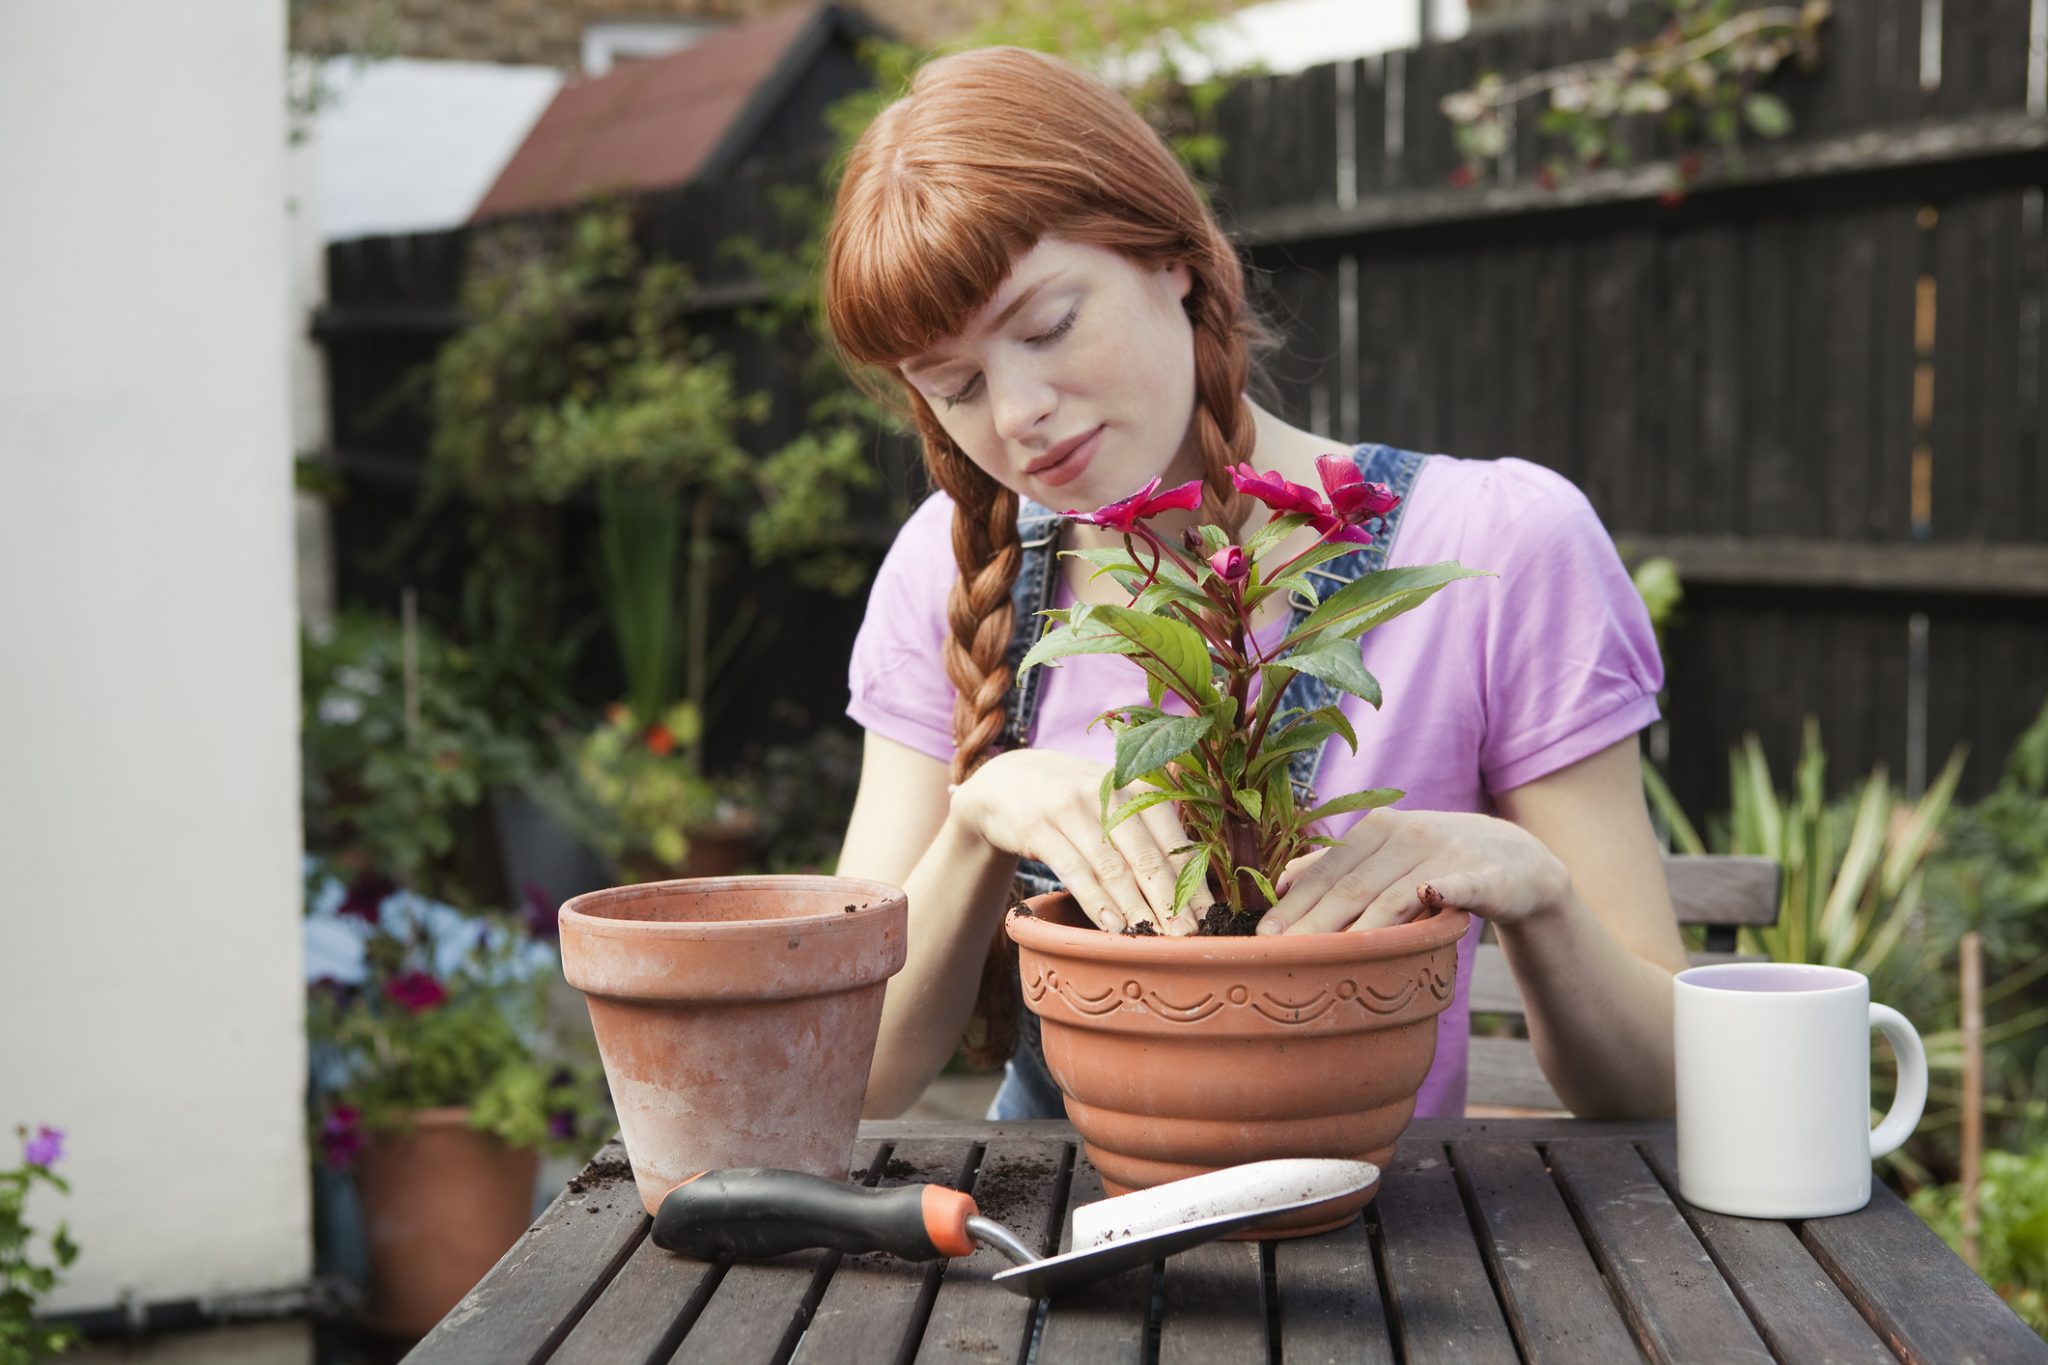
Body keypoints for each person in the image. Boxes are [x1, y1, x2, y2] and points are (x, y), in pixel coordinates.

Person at [820, 45, 1691, 1124]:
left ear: (1171, 257)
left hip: (1388, 1252)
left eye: (1046, 326)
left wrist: (1533, 888)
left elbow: (1658, 1083)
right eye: (951, 386)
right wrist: (976, 821)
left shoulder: (1503, 545)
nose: (1015, 413)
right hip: (1055, 1251)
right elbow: (857, 1076)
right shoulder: (953, 563)